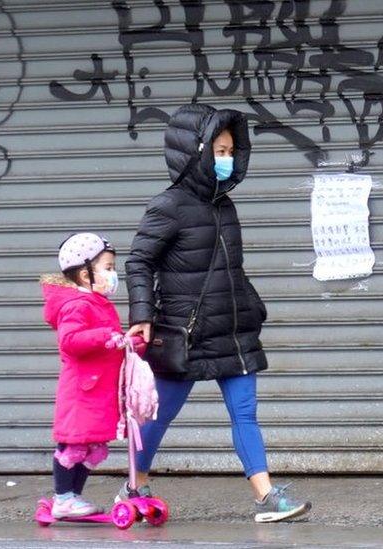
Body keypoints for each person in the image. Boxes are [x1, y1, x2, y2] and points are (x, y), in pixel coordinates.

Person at [121, 103, 311, 523]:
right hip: (185, 334)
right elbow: (138, 262)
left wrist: (250, 306)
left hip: (233, 328)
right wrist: (142, 313)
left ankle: (266, 495)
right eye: (218, 151)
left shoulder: (226, 206)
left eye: (230, 151)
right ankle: (134, 484)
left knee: (245, 413)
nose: (225, 160)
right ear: (196, 152)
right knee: (158, 417)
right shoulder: (167, 206)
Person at [40, 233, 134, 518]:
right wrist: (107, 336)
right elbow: (70, 341)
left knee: (89, 447)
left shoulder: (96, 302)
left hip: (96, 391)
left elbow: (111, 341)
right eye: (108, 268)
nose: (114, 274)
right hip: (81, 393)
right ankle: (63, 498)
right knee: (73, 445)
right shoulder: (78, 305)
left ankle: (73, 498)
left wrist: (129, 341)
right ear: (85, 275)